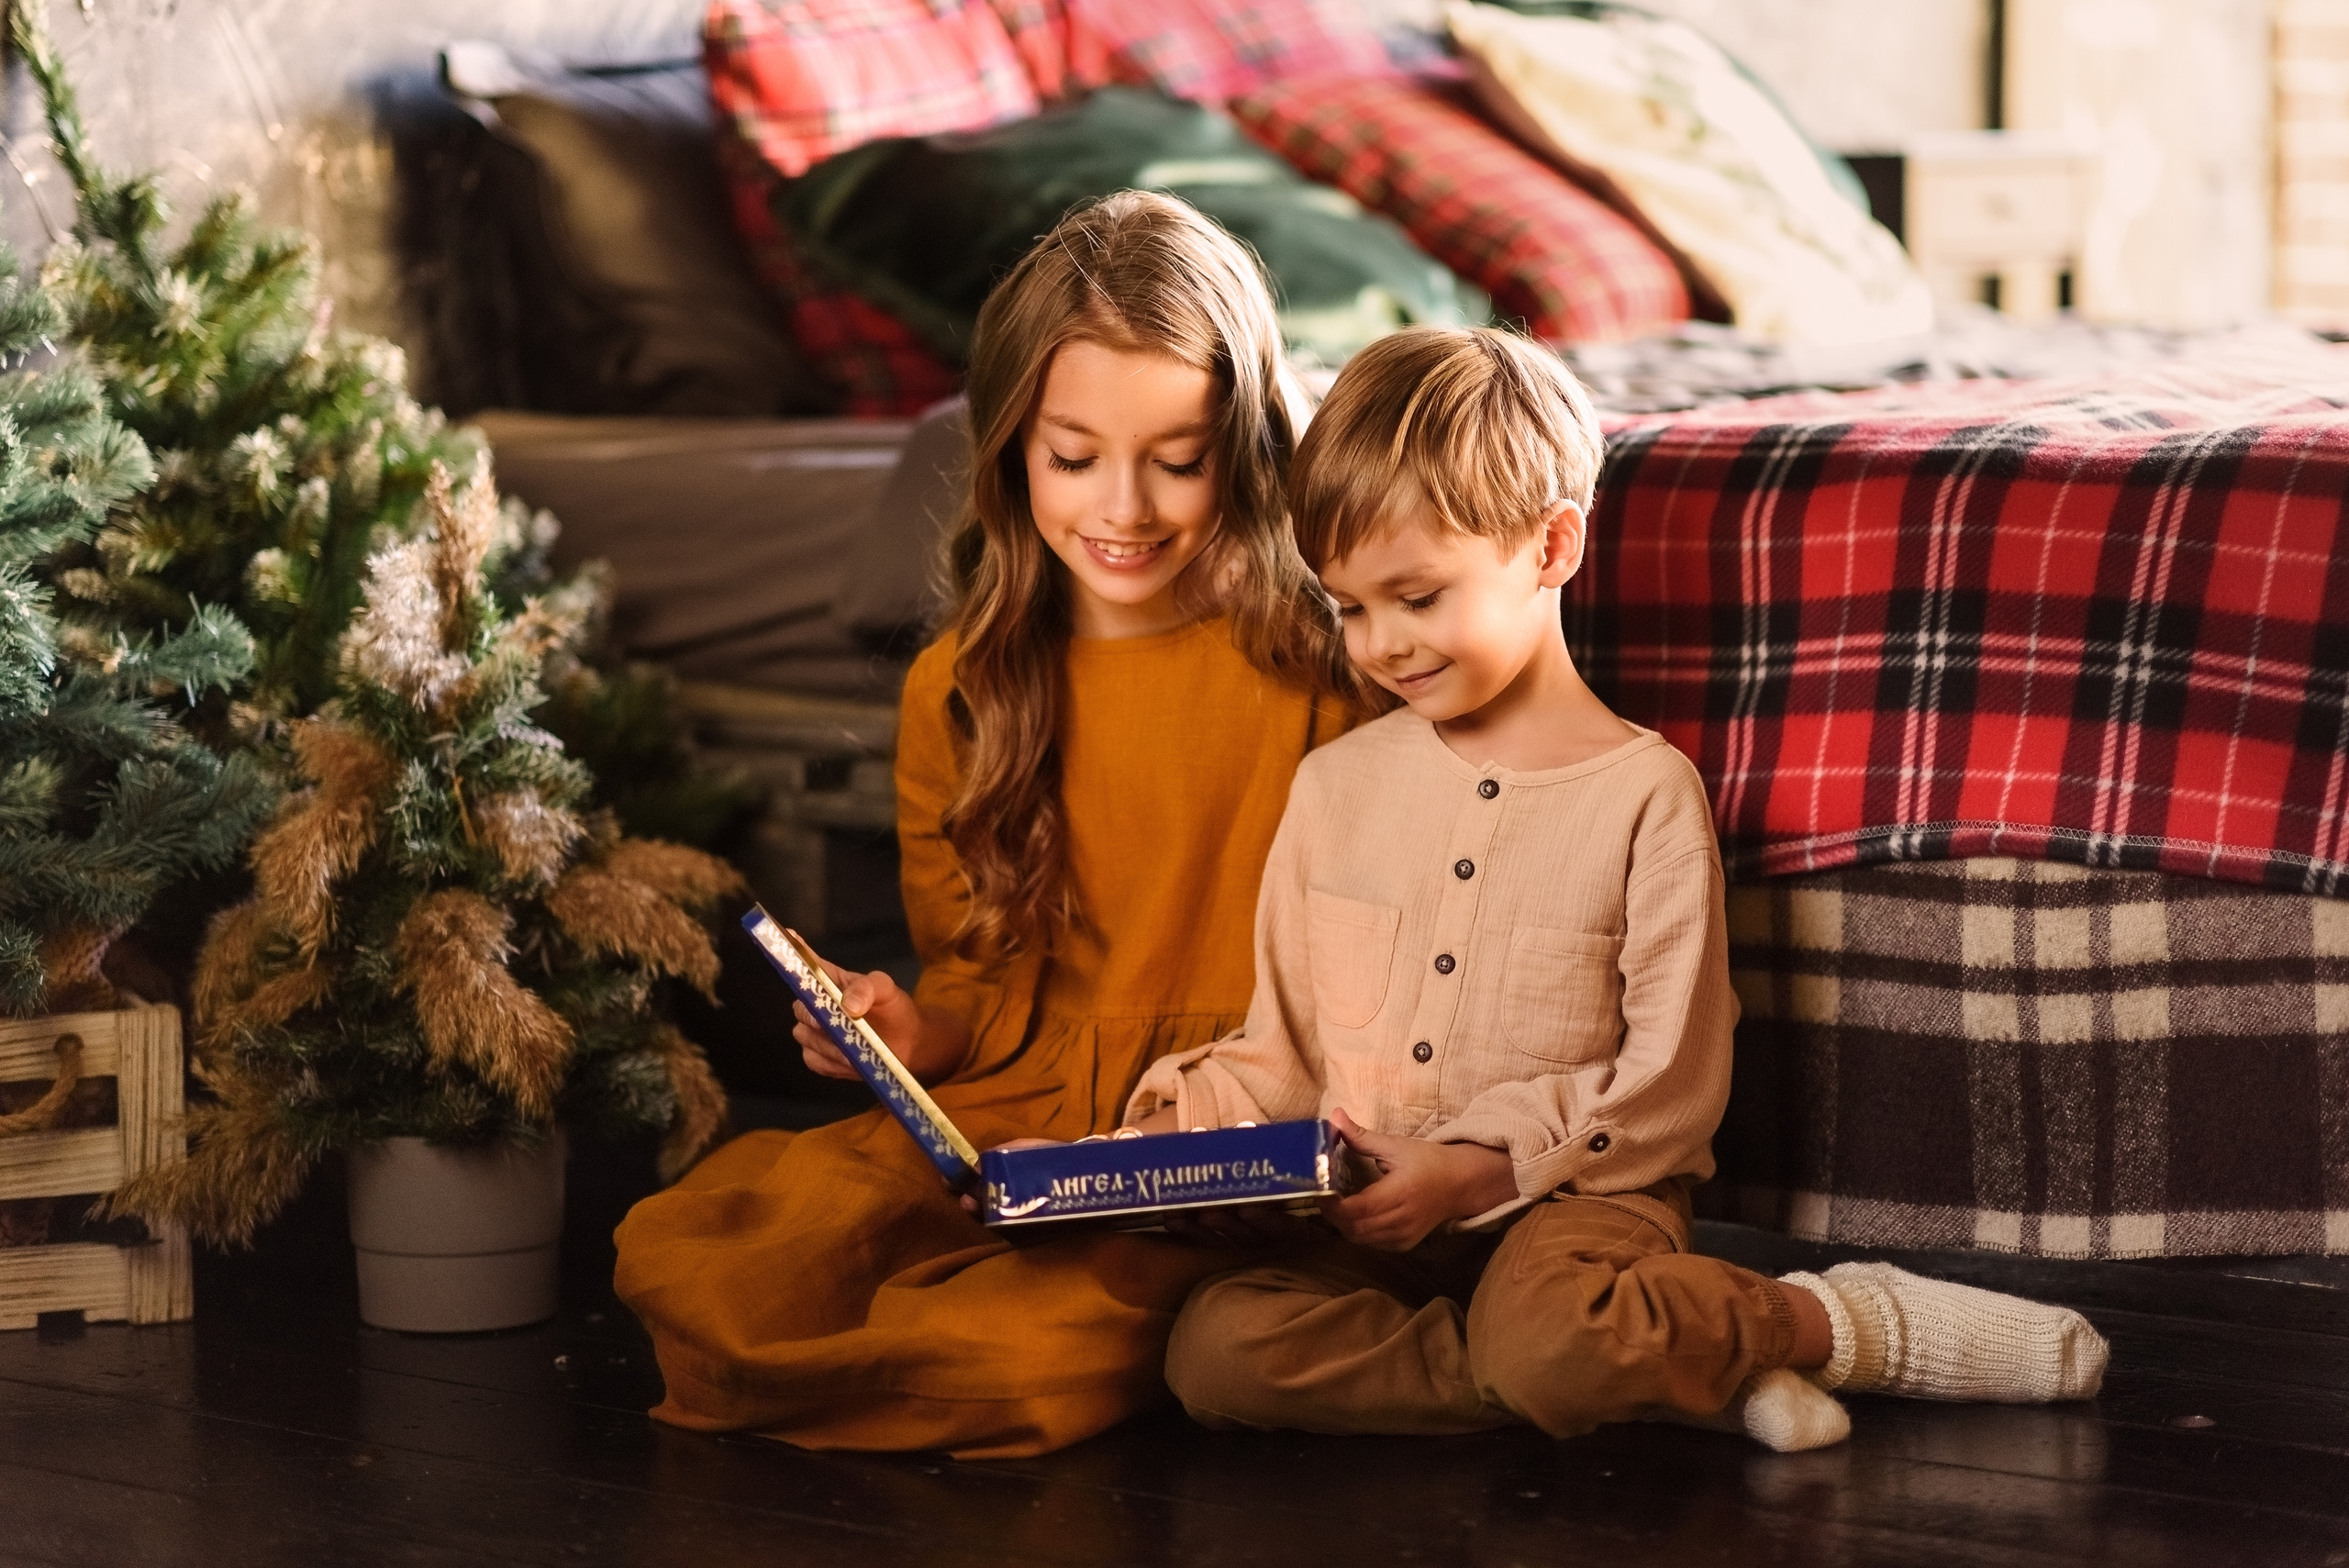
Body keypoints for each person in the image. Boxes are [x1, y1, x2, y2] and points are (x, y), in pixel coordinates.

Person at [1122, 326, 2109, 1450]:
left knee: (1550, 1332)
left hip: (1581, 1200)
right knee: (1212, 1346)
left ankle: (1822, 1320)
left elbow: (1666, 1090)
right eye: (1349, 607)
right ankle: (1651, 1358)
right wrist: (1163, 1142)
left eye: (1417, 595)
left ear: (1550, 545)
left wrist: (1471, 1168)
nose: (1381, 644)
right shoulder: (1333, 788)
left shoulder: (1646, 795)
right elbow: (1283, 1046)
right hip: (1375, 1213)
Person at [611, 191, 1366, 1458]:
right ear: (1011, 448)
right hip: (1017, 1110)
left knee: (1015, 1352)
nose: (1122, 509)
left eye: (1176, 460)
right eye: (1074, 458)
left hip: (1228, 1126)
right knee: (709, 1258)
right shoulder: (964, 680)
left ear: (1243, 444)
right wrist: (905, 1032)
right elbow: (973, 982)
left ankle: (1209, 1312)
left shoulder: (1317, 665)